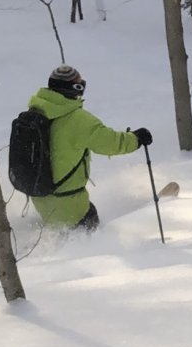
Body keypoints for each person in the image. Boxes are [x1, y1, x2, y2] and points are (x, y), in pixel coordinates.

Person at [26, 64, 151, 232]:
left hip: (41, 199)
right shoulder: (78, 120)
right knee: (91, 223)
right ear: (76, 88)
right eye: (81, 85)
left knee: (61, 226)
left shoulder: (37, 111)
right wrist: (136, 139)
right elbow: (110, 143)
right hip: (69, 204)